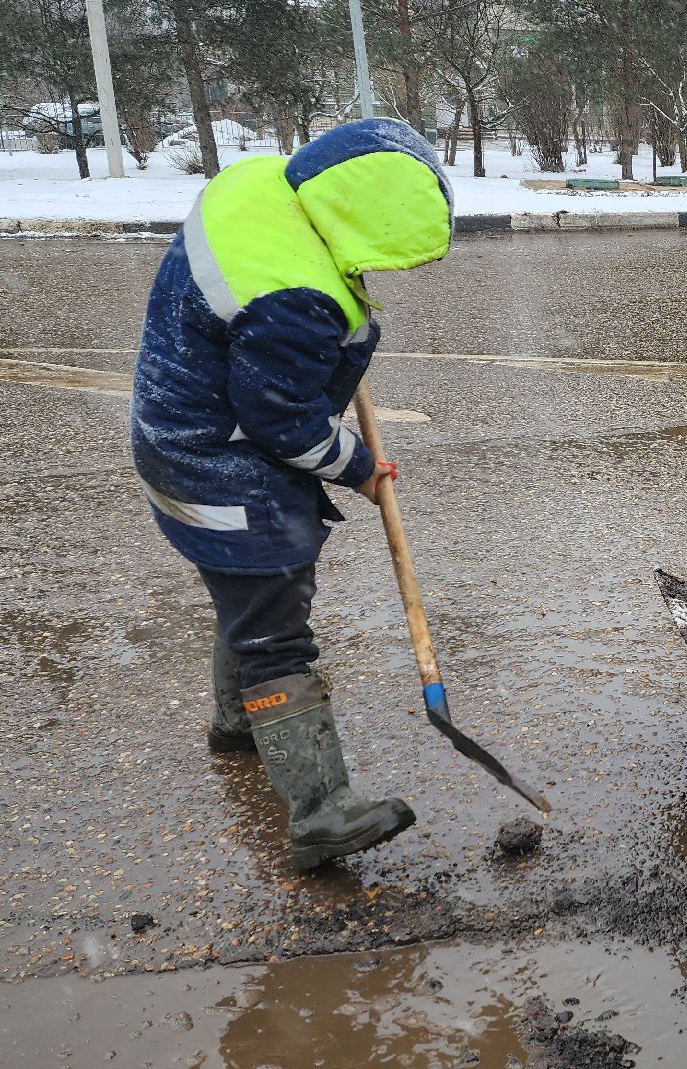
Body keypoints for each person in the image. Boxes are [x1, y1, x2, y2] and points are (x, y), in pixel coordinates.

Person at [129, 118, 454, 870]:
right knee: (275, 628)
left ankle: (236, 725)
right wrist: (360, 466)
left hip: (174, 435)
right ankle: (319, 810)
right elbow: (281, 422)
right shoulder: (298, 299)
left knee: (245, 596)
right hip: (224, 468)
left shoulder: (259, 186)